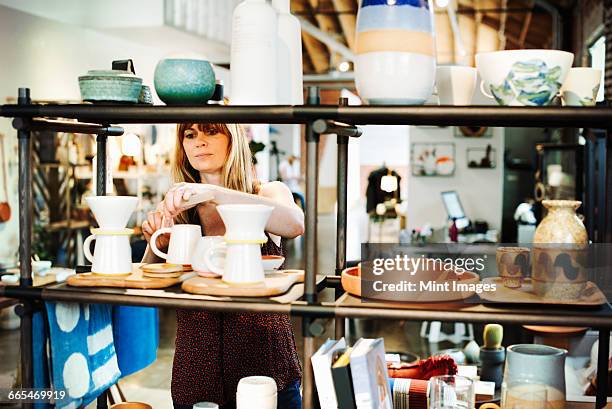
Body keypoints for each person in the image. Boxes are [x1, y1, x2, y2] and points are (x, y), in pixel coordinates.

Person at [141, 122, 304, 409]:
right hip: (195, 373)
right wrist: (156, 242)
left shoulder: (266, 193)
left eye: (211, 131)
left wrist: (213, 193)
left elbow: (294, 224)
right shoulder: (180, 211)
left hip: (264, 371)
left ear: (234, 140)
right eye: (190, 135)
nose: (199, 142)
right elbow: (146, 281)